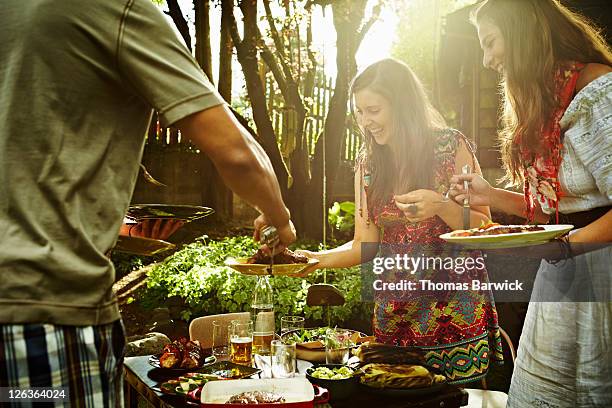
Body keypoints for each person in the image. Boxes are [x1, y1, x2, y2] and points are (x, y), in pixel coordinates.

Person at [0, 1, 295, 406]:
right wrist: (279, 217)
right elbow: (240, 154)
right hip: (45, 314)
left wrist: (119, 229)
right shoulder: (117, 11)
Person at [298, 58, 503, 384]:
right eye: (360, 112)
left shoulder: (452, 147)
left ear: (402, 104)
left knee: (452, 403)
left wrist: (440, 206)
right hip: (395, 321)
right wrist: (315, 260)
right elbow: (364, 245)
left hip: (454, 318)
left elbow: (484, 228)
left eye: (374, 110)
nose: (365, 122)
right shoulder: (368, 163)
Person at [450, 0, 612, 406]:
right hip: (562, 280)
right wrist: (491, 196)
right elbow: (560, 212)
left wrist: (565, 246)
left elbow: (573, 226)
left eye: (490, 43)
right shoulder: (549, 100)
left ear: (522, 32)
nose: (487, 61)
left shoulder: (598, 94)